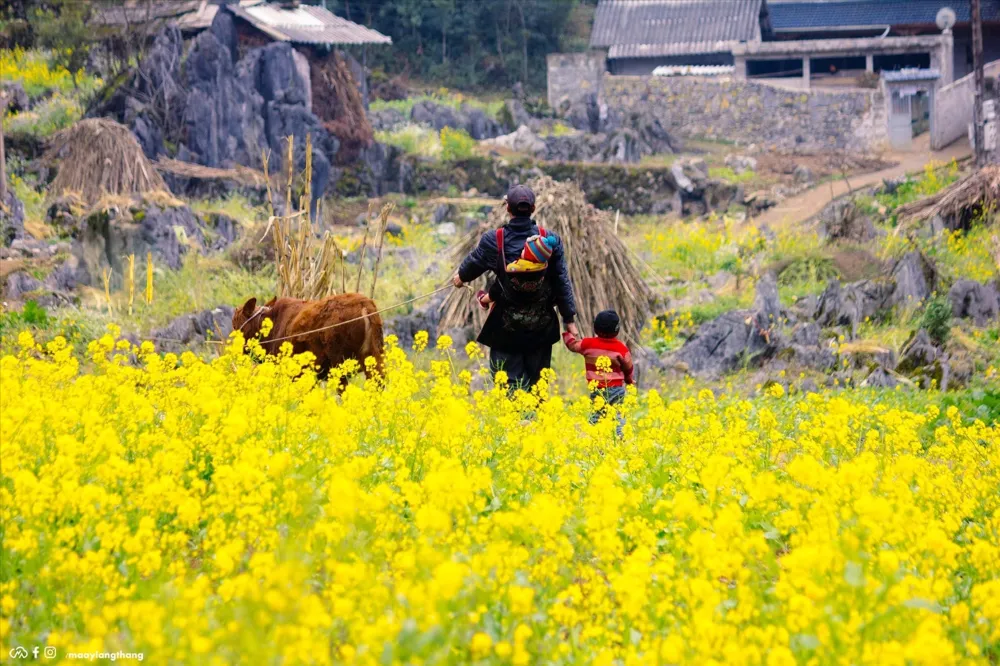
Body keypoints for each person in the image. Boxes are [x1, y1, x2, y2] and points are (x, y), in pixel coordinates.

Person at [453, 184, 578, 390]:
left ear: (507, 208)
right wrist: (569, 319)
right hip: (541, 327)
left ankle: (516, 420)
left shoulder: (494, 240)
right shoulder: (550, 241)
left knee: (509, 387)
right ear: (534, 208)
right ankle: (533, 421)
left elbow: (472, 265)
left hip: (505, 329)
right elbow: (561, 279)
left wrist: (460, 278)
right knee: (537, 387)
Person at [562, 310, 634, 436]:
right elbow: (628, 367)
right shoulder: (621, 348)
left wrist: (567, 333)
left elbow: (572, 345)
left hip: (597, 389)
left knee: (597, 415)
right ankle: (621, 437)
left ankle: (594, 440)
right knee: (617, 415)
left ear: (595, 328)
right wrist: (629, 380)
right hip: (616, 389)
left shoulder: (588, 344)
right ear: (617, 330)